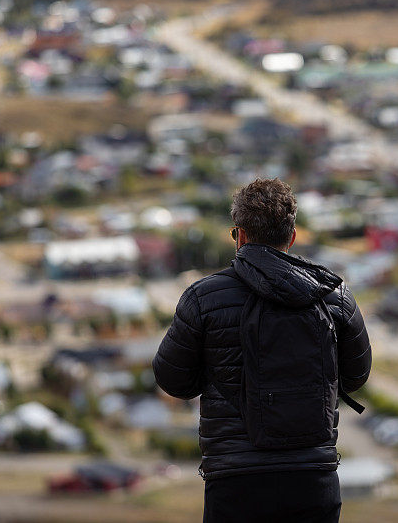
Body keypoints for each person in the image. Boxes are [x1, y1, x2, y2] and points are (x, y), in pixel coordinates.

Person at [152, 178, 372, 523]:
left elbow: (173, 381)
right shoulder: (333, 295)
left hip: (235, 481)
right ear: (293, 236)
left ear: (239, 235)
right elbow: (356, 375)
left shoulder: (203, 298)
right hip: (312, 478)